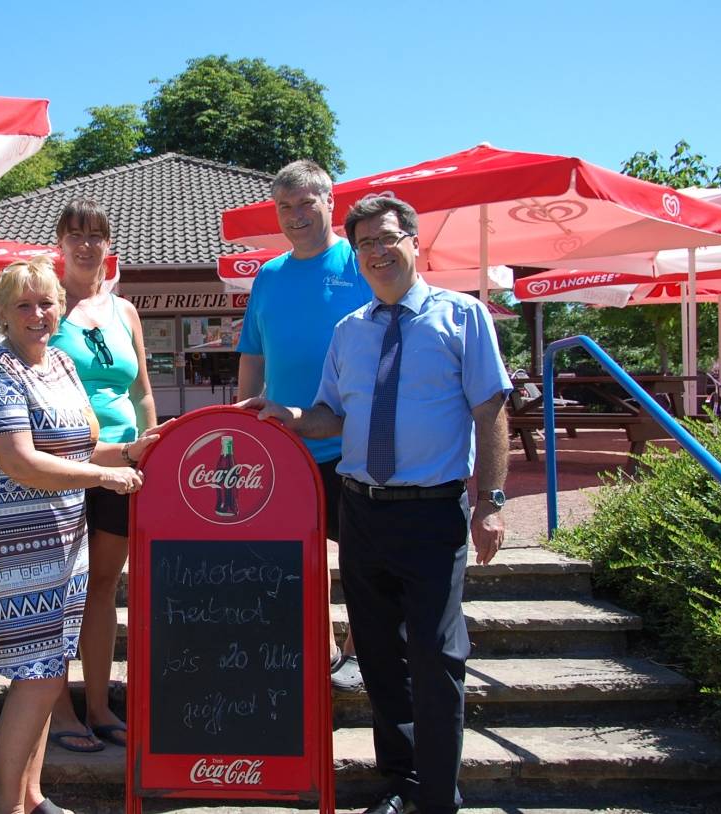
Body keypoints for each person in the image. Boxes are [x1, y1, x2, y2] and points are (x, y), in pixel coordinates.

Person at [240, 195, 511, 814]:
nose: (377, 253)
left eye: (388, 239)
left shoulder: (462, 317)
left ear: (414, 243)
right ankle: (401, 784)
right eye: (364, 244)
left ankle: (439, 799)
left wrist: (490, 503)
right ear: (355, 254)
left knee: (438, 658)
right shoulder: (350, 331)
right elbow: (332, 414)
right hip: (362, 511)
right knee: (381, 658)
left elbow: (490, 408)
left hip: (433, 514)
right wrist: (290, 416)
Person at [0, 257, 156, 814]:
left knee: (43, 676)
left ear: (59, 309)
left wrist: (131, 451)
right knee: (38, 679)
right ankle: (8, 808)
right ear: (2, 312)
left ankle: (34, 796)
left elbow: (77, 447)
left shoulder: (63, 363)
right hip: (13, 550)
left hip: (63, 544)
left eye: (46, 303)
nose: (37, 314)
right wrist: (106, 476)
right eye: (24, 304)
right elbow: (21, 462)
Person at [235, 159, 373, 692]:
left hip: (351, 439)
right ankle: (313, 648)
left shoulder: (361, 263)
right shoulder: (268, 275)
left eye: (305, 204)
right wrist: (244, 420)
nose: (295, 216)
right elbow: (252, 354)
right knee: (296, 558)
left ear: (329, 202)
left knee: (360, 558)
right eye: (285, 207)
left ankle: (358, 651)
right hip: (282, 443)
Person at [45, 199, 156, 752]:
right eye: (76, 235)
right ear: (60, 244)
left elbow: (141, 391)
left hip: (124, 470)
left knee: (104, 586)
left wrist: (151, 449)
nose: (87, 244)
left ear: (109, 245)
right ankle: (58, 709)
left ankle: (97, 703)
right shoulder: (45, 308)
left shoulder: (126, 312)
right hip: (68, 463)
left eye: (97, 235)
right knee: (63, 587)